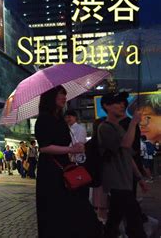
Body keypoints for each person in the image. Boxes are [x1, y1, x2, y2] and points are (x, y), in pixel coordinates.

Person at [35, 85, 102, 238]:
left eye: (64, 94)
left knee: (70, 208)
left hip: (64, 167)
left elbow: (63, 143)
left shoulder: (60, 119)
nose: (64, 97)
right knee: (55, 209)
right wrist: (71, 150)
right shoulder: (44, 119)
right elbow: (44, 148)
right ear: (50, 97)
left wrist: (74, 147)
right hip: (51, 171)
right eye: (60, 94)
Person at [98, 92, 148, 238]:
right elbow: (125, 145)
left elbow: (128, 156)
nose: (122, 105)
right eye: (117, 103)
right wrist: (133, 123)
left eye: (122, 103)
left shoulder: (118, 127)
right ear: (106, 106)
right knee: (134, 221)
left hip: (125, 181)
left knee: (114, 220)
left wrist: (139, 178)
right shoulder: (105, 127)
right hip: (116, 181)